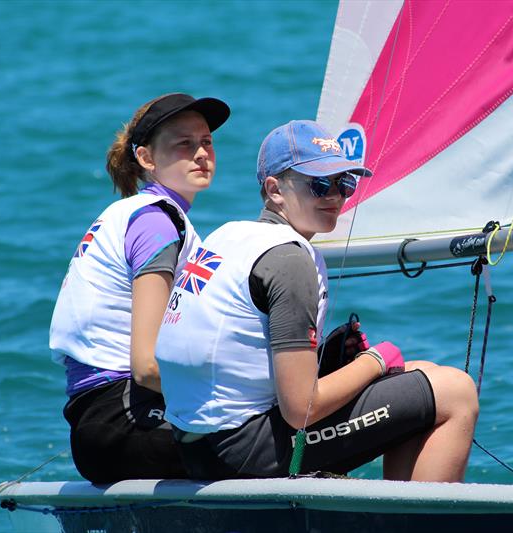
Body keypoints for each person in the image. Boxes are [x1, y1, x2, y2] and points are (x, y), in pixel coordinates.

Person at [156, 120, 479, 482]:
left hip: (196, 446)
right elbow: (301, 409)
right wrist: (375, 360)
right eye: (320, 185)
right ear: (274, 189)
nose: (336, 197)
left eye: (346, 184)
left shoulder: (227, 235)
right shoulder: (290, 259)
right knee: (455, 391)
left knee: (421, 376)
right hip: (244, 452)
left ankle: (399, 516)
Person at [49, 93, 230, 483]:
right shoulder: (156, 223)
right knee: (275, 439)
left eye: (207, 142)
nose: (201, 153)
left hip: (99, 420)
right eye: (184, 143)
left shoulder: (135, 213)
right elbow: (147, 366)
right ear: (147, 158)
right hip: (125, 417)